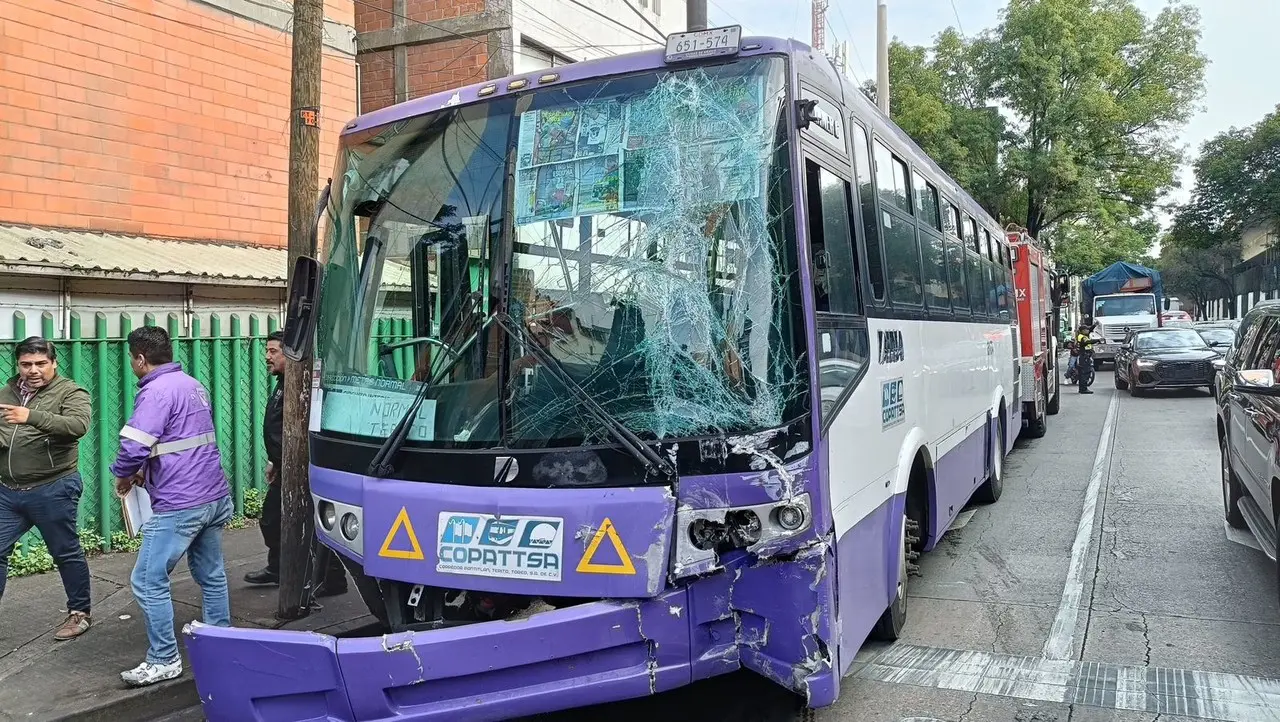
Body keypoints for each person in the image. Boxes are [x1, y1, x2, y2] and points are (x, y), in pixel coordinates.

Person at [111, 326, 233, 687]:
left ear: (140, 359)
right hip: (212, 495)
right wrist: (145, 471)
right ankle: (220, 644)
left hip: (180, 503)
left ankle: (164, 659)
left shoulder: (156, 393)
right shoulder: (192, 384)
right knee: (211, 575)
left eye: (133, 360)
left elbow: (134, 446)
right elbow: (180, 442)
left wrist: (123, 475)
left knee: (147, 581)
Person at [0, 338, 93, 641]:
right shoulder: (7, 392)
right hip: (8, 491)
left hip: (53, 487)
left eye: (40, 364)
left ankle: (79, 613)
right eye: (26, 364)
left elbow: (77, 426)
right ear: (18, 365)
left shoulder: (71, 392)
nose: (33, 370)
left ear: (54, 363)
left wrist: (32, 416)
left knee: (65, 552)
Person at [245, 331, 347, 596]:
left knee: (314, 525)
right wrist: (274, 461)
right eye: (266, 351)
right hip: (284, 467)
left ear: (289, 355)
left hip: (302, 469)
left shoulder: (302, 385)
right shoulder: (282, 382)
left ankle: (333, 579)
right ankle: (279, 568)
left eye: (273, 352)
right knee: (272, 519)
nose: (267, 357)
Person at [1074, 323, 1096, 394]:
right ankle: (1083, 389)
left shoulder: (1084, 335)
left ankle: (1083, 388)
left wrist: (1095, 325)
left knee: (1085, 372)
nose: (1088, 330)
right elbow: (1087, 342)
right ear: (1083, 331)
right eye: (1086, 329)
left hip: (1086, 356)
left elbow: (1090, 329)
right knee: (1085, 372)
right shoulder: (1082, 337)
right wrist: (1097, 340)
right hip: (1084, 356)